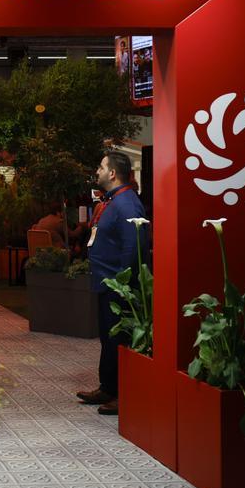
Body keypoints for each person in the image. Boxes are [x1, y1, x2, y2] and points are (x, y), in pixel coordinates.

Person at [77, 151, 147, 415]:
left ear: (113, 173)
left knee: (119, 340)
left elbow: (134, 247)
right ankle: (108, 387)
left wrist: (122, 283)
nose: (97, 171)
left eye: (101, 166)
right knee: (108, 338)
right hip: (107, 284)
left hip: (119, 287)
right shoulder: (113, 201)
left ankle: (122, 393)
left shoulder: (126, 204)